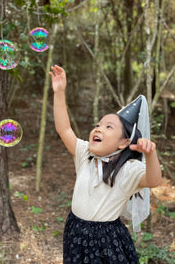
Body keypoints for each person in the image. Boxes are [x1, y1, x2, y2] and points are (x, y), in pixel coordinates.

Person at [49, 65, 162, 264]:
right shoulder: (85, 155)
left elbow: (154, 180)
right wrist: (59, 93)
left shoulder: (128, 169)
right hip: (75, 232)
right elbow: (64, 129)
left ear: (124, 142)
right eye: (98, 125)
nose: (98, 129)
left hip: (106, 240)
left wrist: (151, 154)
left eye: (108, 127)